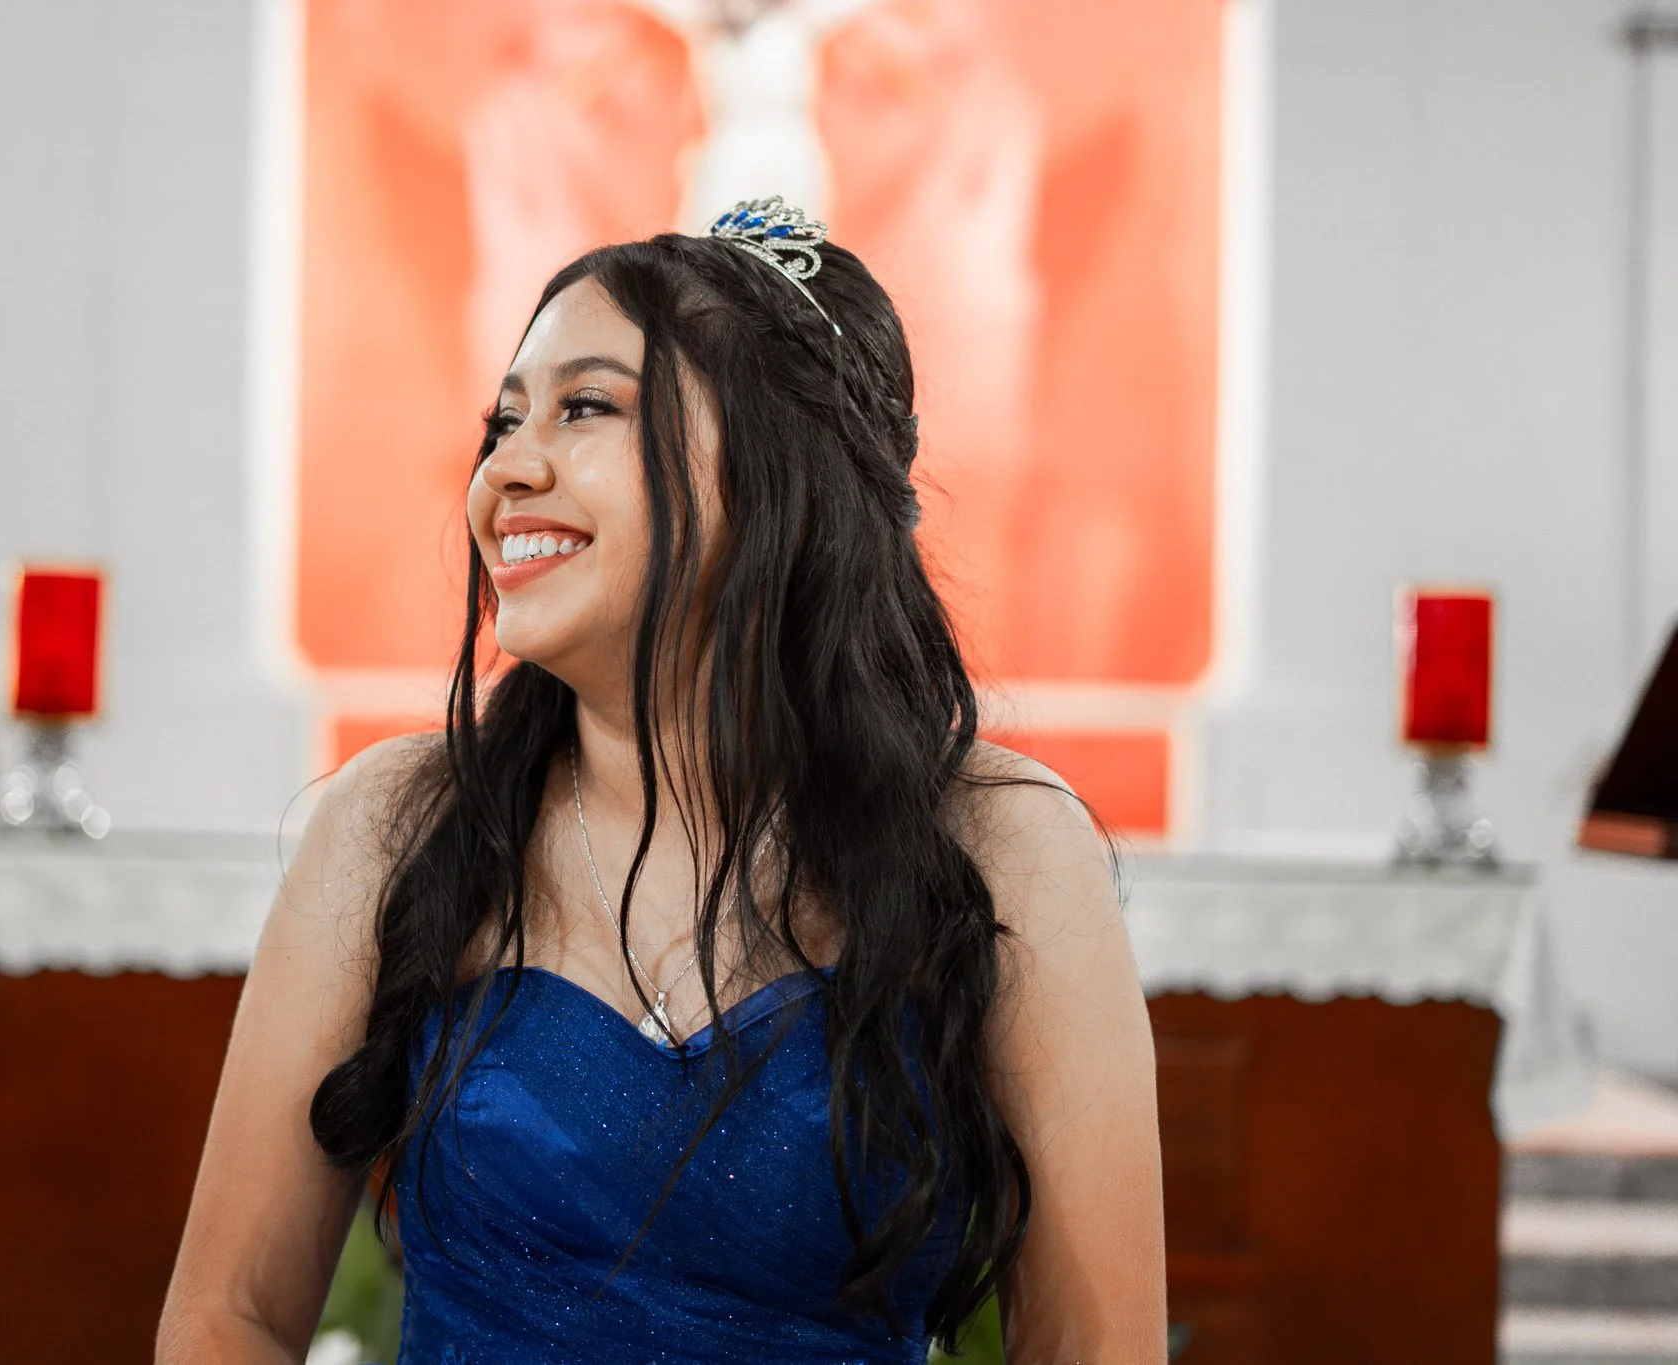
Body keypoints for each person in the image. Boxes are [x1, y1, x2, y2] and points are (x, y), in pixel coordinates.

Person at [159, 198, 1165, 1364]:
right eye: (501, 422)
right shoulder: (394, 823)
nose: (503, 472)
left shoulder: (1002, 850)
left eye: (583, 407)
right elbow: (225, 1315)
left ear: (776, 464)